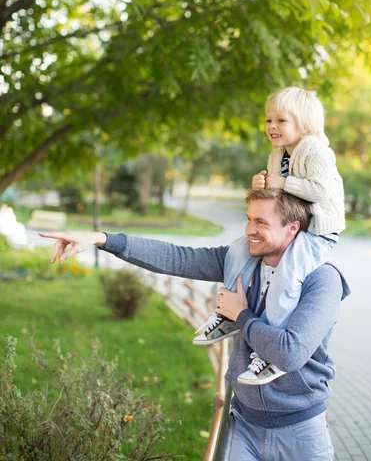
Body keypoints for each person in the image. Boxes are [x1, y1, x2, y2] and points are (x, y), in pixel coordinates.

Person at [40, 187, 350, 461]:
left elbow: (290, 353)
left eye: (261, 222)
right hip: (243, 425)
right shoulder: (242, 261)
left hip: (300, 433)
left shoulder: (323, 280)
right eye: (248, 219)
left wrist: (240, 315)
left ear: (292, 228)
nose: (249, 230)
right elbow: (175, 257)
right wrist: (102, 239)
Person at [193, 87, 346, 388]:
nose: (272, 127)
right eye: (268, 121)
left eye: (281, 121)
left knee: (286, 275)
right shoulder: (278, 155)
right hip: (292, 228)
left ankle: (271, 353)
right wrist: (263, 185)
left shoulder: (317, 151)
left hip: (318, 233)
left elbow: (321, 191)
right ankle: (228, 314)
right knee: (238, 251)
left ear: (303, 124)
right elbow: (277, 198)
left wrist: (283, 181)